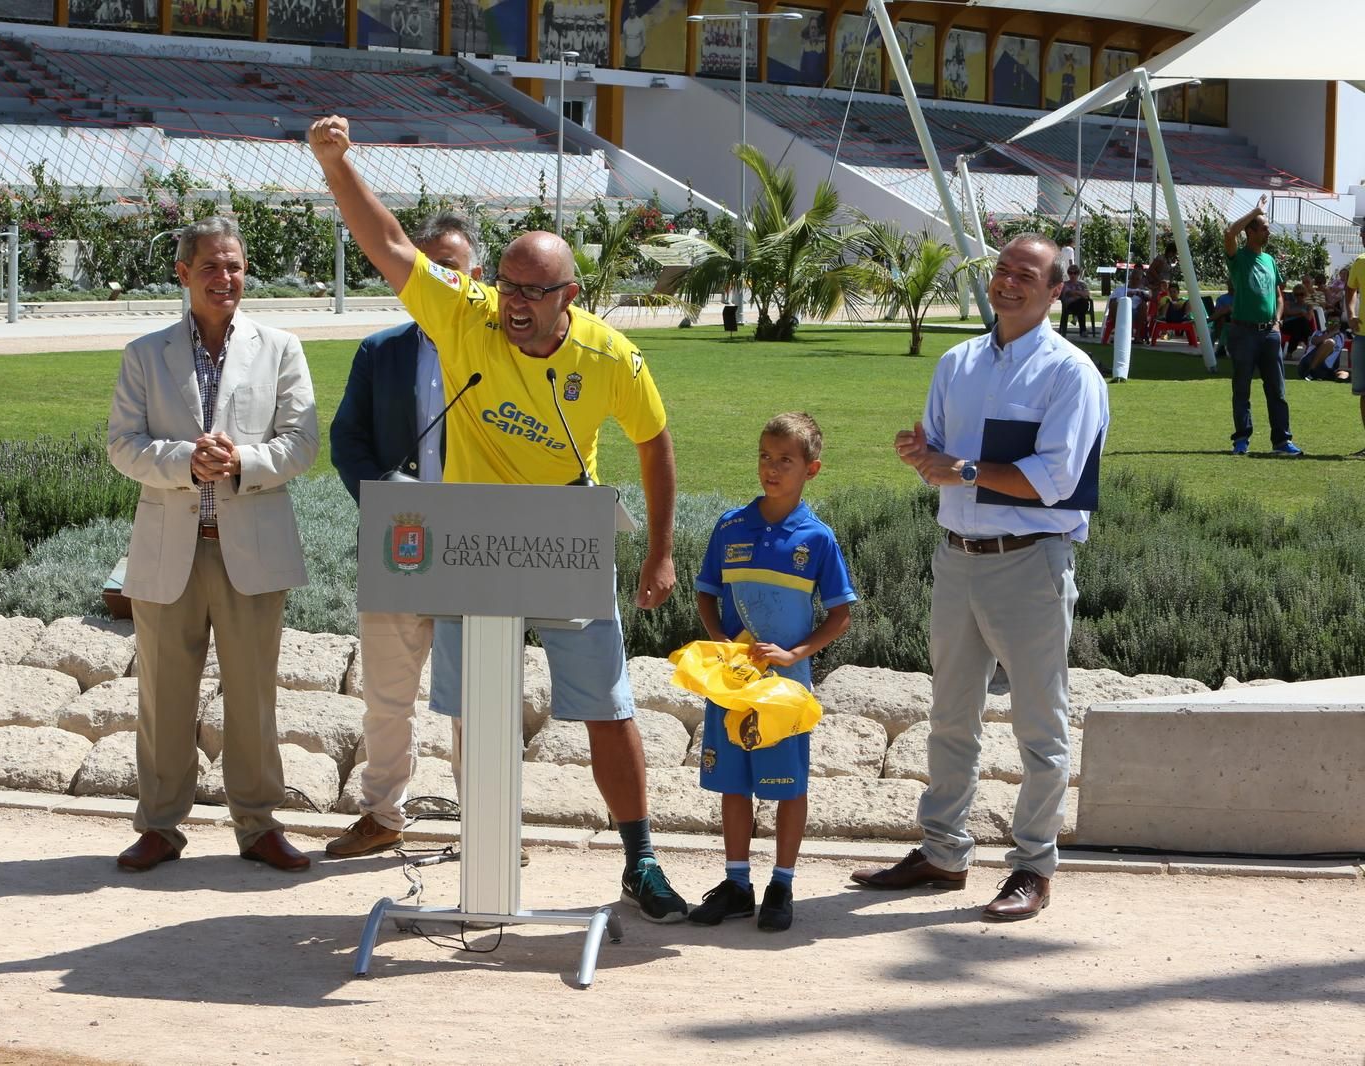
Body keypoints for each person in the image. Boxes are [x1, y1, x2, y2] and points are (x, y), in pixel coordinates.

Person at [307, 113, 690, 923]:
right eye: (507, 285)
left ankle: (640, 858)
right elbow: (391, 247)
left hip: (564, 539)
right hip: (471, 546)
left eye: (533, 292)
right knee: (472, 707)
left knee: (607, 707)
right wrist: (337, 165)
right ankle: (485, 864)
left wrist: (659, 553)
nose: (514, 304)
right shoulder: (465, 314)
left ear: (570, 297)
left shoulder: (610, 358)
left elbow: (655, 445)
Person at [851, 233, 1109, 922]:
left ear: (1057, 291)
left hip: (1030, 562)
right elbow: (939, 448)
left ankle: (1032, 866)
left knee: (1039, 724)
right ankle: (942, 852)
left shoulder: (1070, 374)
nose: (1008, 282)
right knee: (950, 714)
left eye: (1027, 275)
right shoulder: (958, 361)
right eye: (1002, 270)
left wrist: (961, 469)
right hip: (956, 557)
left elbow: (1055, 480)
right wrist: (922, 454)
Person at [107, 216, 319, 873]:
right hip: (172, 548)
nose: (225, 279)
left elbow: (302, 442)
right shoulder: (146, 354)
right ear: (183, 274)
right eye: (211, 268)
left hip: (250, 549)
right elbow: (122, 445)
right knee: (163, 697)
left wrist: (242, 463)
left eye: (234, 266)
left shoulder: (280, 348)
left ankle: (257, 827)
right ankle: (160, 827)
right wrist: (182, 461)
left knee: (253, 697)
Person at [324, 212, 483, 858]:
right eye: (429, 266)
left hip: (480, 546)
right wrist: (386, 504)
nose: (442, 278)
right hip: (401, 543)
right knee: (388, 695)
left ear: (478, 277)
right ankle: (383, 813)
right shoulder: (380, 352)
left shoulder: (500, 348)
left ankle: (488, 823)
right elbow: (346, 442)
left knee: (478, 696)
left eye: (455, 267)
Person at [686, 413, 856, 933]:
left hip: (785, 691)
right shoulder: (731, 526)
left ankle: (782, 883)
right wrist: (719, 642)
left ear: (812, 469)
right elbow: (706, 593)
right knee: (732, 784)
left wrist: (795, 653)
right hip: (733, 685)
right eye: (764, 456)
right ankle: (737, 884)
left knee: (787, 785)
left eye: (785, 460)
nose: (771, 468)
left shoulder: (817, 540)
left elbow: (841, 615)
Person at [1223, 195, 1303, 456]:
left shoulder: (1269, 260)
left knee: (1277, 390)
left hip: (1269, 332)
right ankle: (1241, 440)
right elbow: (1228, 232)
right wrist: (1255, 210)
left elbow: (1280, 295)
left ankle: (1282, 441)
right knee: (1242, 389)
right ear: (1251, 231)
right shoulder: (1239, 257)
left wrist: (1278, 321)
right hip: (1243, 332)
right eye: (1264, 227)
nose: (1269, 231)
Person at [1343, 221, 1365, 457]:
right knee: (1363, 393)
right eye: (1362, 233)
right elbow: (1350, 290)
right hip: (1363, 336)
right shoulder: (1360, 262)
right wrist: (1351, 314)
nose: (1363, 237)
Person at [1057, 264, 1092, 338]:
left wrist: (1076, 294)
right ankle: (1083, 330)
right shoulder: (1065, 284)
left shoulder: (1082, 284)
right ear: (1068, 273)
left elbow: (1087, 294)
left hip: (1082, 304)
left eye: (1075, 273)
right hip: (1070, 305)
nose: (1072, 275)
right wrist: (1080, 294)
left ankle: (1076, 317)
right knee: (1082, 303)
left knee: (1082, 303)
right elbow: (1070, 293)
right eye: (1070, 273)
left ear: (1078, 274)